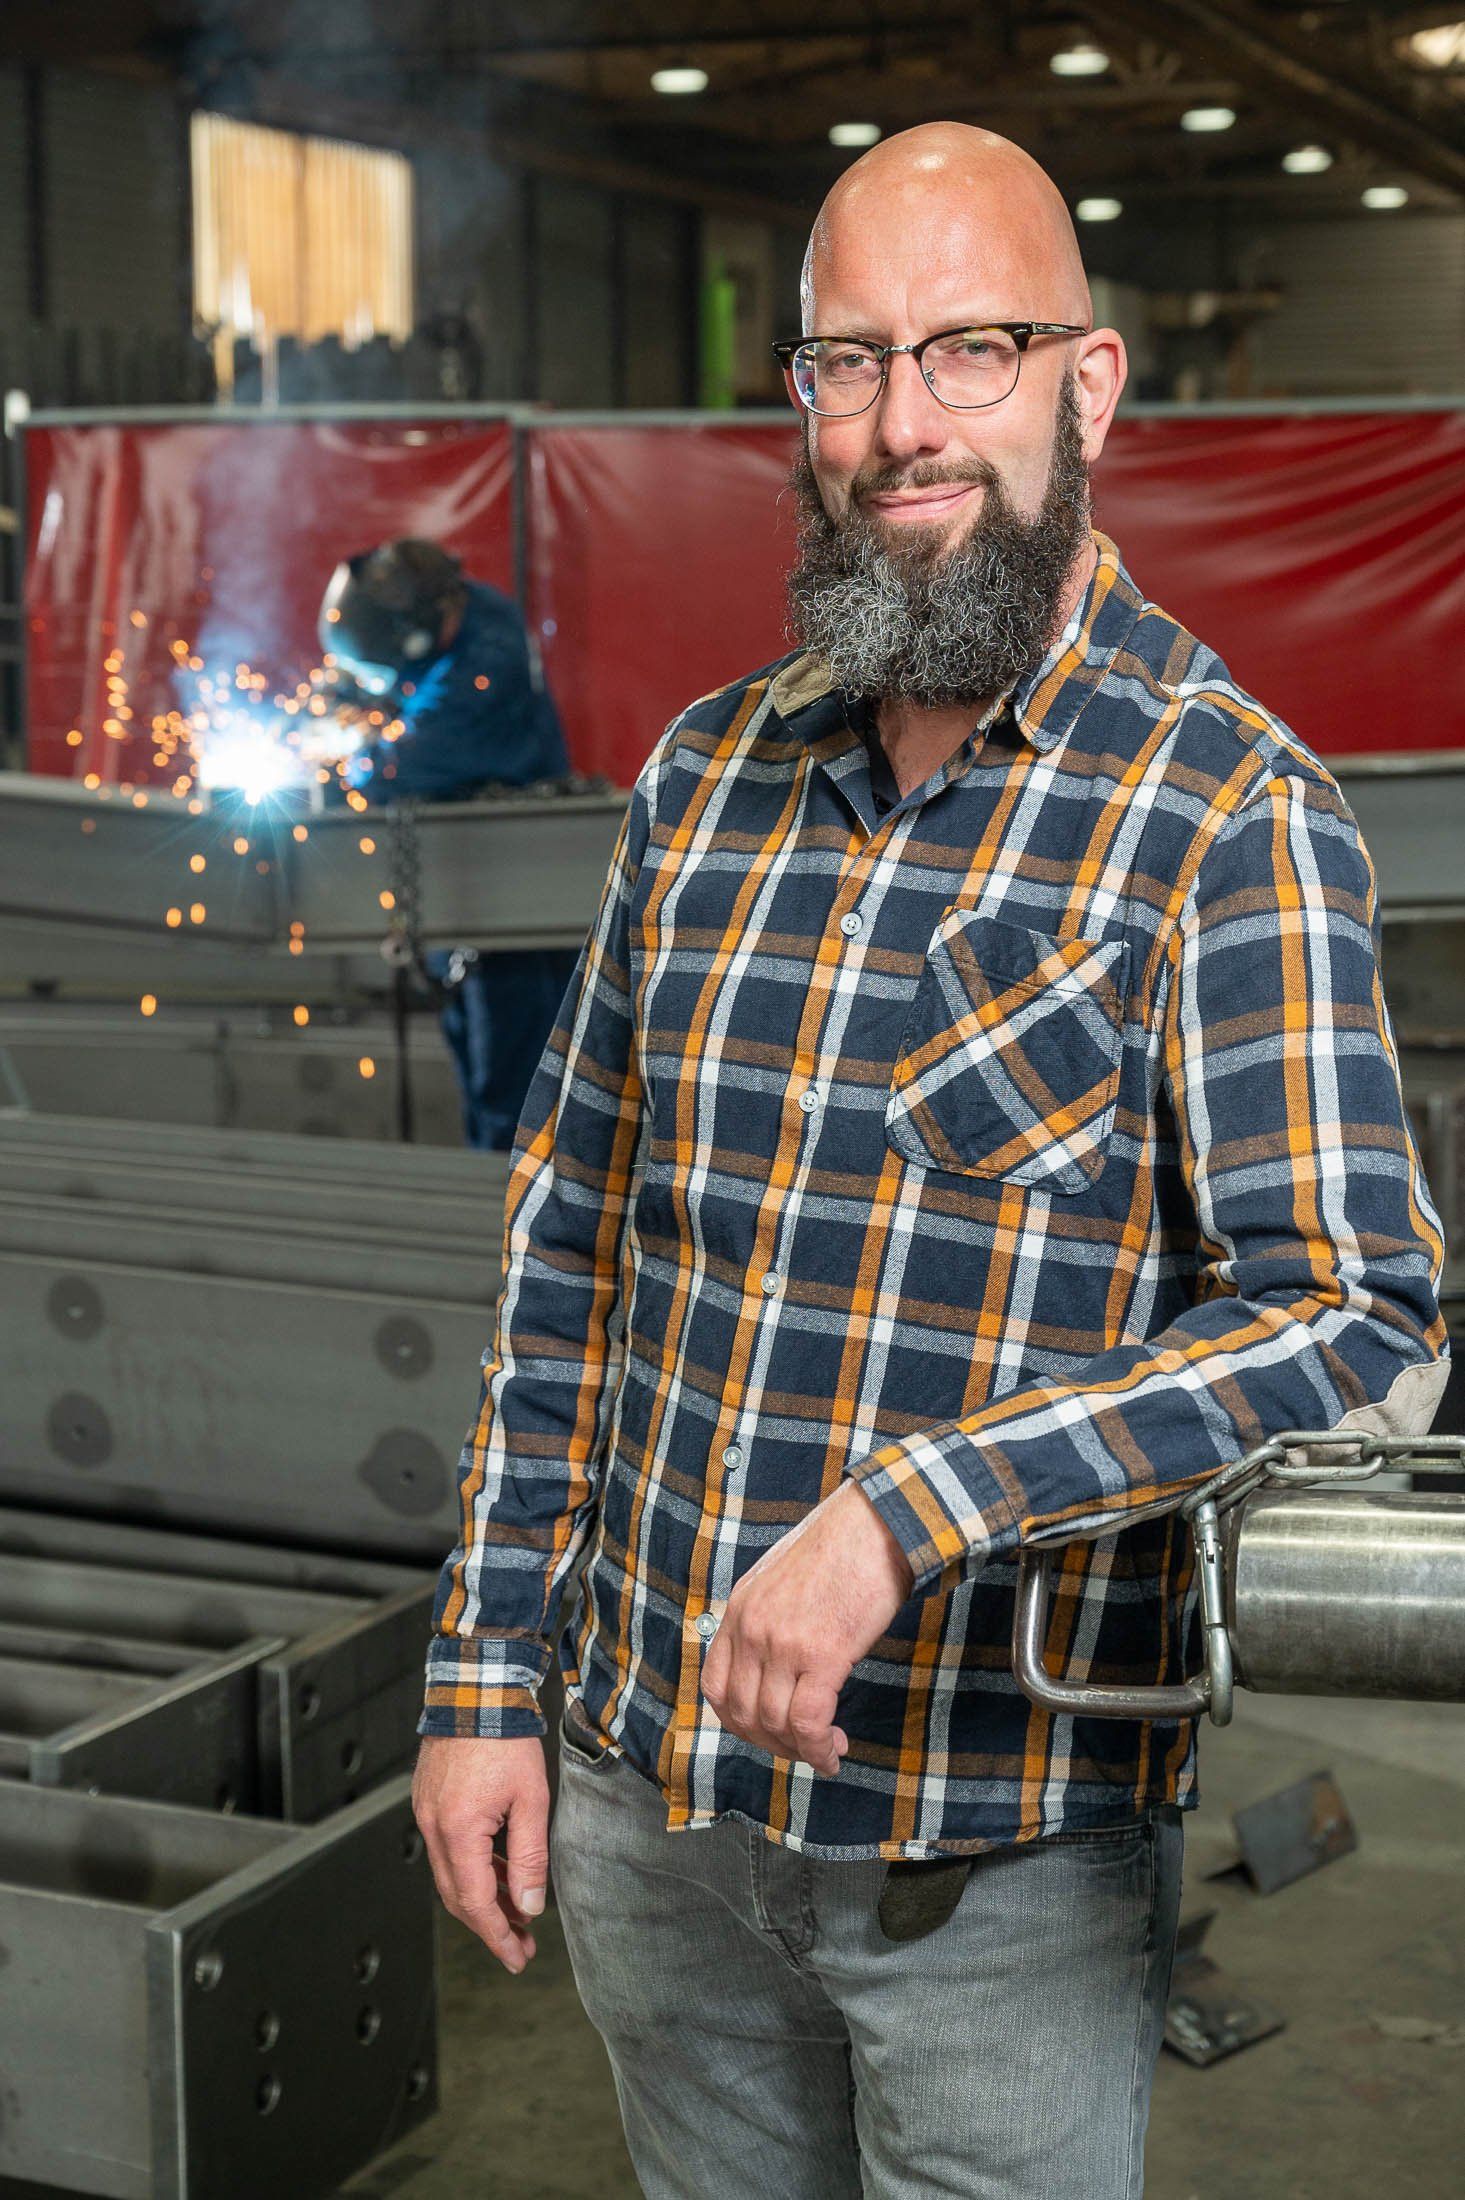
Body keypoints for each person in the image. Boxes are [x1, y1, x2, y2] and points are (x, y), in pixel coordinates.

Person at [412, 124, 1450, 2197]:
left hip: (997, 1860)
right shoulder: (704, 783)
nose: (903, 423)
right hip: (651, 1807)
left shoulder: (1223, 809)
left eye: (969, 350)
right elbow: (573, 1267)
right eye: (848, 361)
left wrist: (913, 1507)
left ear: (1087, 382)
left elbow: (1348, 1303)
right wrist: (478, 1676)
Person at [318, 538, 579, 1149]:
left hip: (519, 920)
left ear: (411, 636)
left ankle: (511, 1229)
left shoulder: (486, 666)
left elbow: (403, 765)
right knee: (480, 1079)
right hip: (472, 909)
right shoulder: (461, 612)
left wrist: (343, 761)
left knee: (512, 1103)